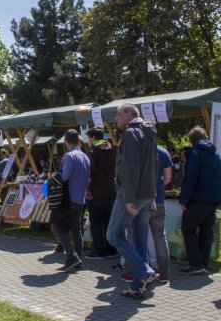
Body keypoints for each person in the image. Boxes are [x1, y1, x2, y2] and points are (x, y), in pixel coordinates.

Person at [106, 103, 159, 299]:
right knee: (139, 238)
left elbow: (131, 166)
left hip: (131, 194)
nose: (116, 118)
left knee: (114, 235)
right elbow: (155, 166)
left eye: (119, 114)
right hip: (146, 194)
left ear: (129, 115)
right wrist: (152, 194)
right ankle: (139, 285)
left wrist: (128, 197)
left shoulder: (131, 133)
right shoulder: (149, 133)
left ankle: (145, 273)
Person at [178, 126, 221, 275]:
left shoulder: (195, 154)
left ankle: (196, 263)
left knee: (188, 229)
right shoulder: (215, 154)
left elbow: (191, 180)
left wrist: (184, 200)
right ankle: (203, 262)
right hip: (213, 199)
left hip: (198, 200)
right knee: (206, 230)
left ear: (192, 140)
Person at [50, 129, 90, 272]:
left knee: (56, 226)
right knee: (77, 230)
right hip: (81, 198)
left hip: (68, 199)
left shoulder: (70, 156)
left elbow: (65, 176)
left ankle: (71, 256)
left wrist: (53, 177)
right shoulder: (85, 157)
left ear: (66, 141)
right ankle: (77, 260)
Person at [84, 127, 117, 260]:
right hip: (111, 190)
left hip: (96, 191)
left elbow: (90, 173)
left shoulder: (93, 151)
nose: (88, 140)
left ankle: (99, 251)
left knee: (96, 222)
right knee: (109, 221)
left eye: (88, 138)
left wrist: (86, 189)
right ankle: (111, 249)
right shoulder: (113, 149)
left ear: (92, 138)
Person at [149, 146, 173, 282]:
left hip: (143, 201)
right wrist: (159, 187)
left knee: (138, 237)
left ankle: (139, 271)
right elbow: (168, 177)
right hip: (159, 201)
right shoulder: (163, 152)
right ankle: (164, 273)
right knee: (160, 237)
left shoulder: (139, 150)